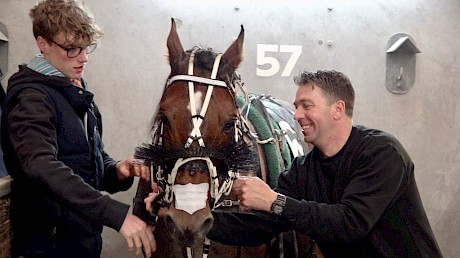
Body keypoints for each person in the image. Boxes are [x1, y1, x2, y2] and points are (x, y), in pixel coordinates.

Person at [145, 70, 443, 257]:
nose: (297, 114)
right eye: (297, 106)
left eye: (307, 106)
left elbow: (351, 224)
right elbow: (259, 228)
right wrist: (190, 215)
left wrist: (274, 200)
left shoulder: (381, 153)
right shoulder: (303, 171)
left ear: (338, 109)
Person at [1, 1, 155, 257]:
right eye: (71, 49)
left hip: (81, 241)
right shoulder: (32, 98)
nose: (83, 58)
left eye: (85, 47)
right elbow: (42, 166)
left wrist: (117, 170)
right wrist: (116, 215)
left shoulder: (74, 89)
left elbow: (85, 161)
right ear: (43, 43)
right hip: (49, 245)